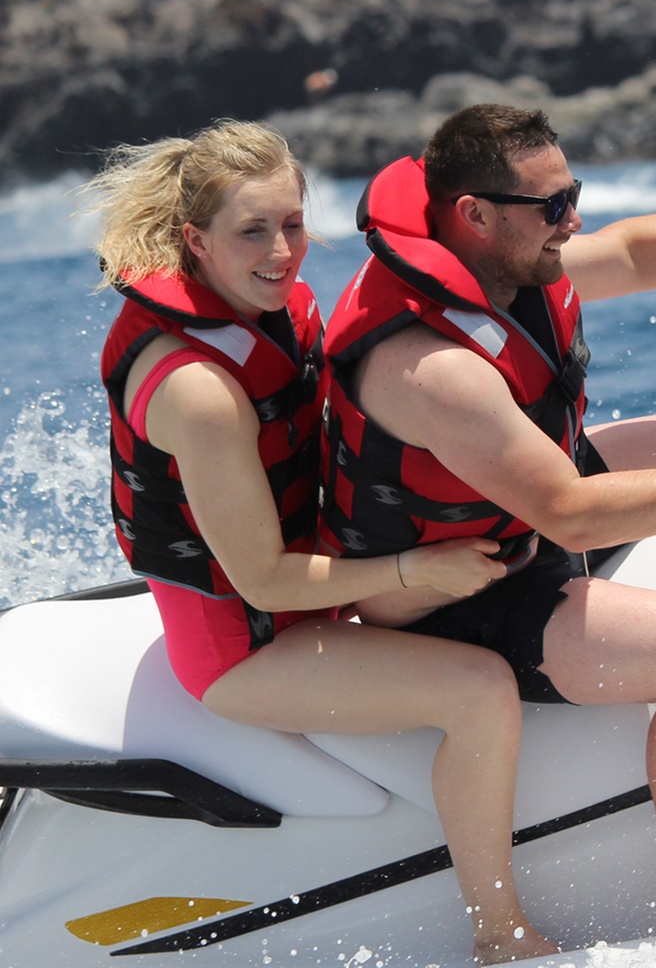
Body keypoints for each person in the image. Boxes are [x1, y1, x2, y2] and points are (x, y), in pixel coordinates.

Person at [319, 104, 656, 930]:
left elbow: (634, 253)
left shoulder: (505, 258)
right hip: (463, 590)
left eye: (571, 194)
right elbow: (571, 517)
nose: (572, 220)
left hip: (516, 509)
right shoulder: (428, 366)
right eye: (553, 205)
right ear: (474, 214)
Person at [84, 120, 561, 965]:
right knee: (479, 691)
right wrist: (415, 566)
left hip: (326, 586)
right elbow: (264, 582)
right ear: (196, 241)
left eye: (293, 224)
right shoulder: (199, 391)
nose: (281, 252)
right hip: (249, 645)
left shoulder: (272, 308)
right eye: (252, 231)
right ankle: (501, 937)